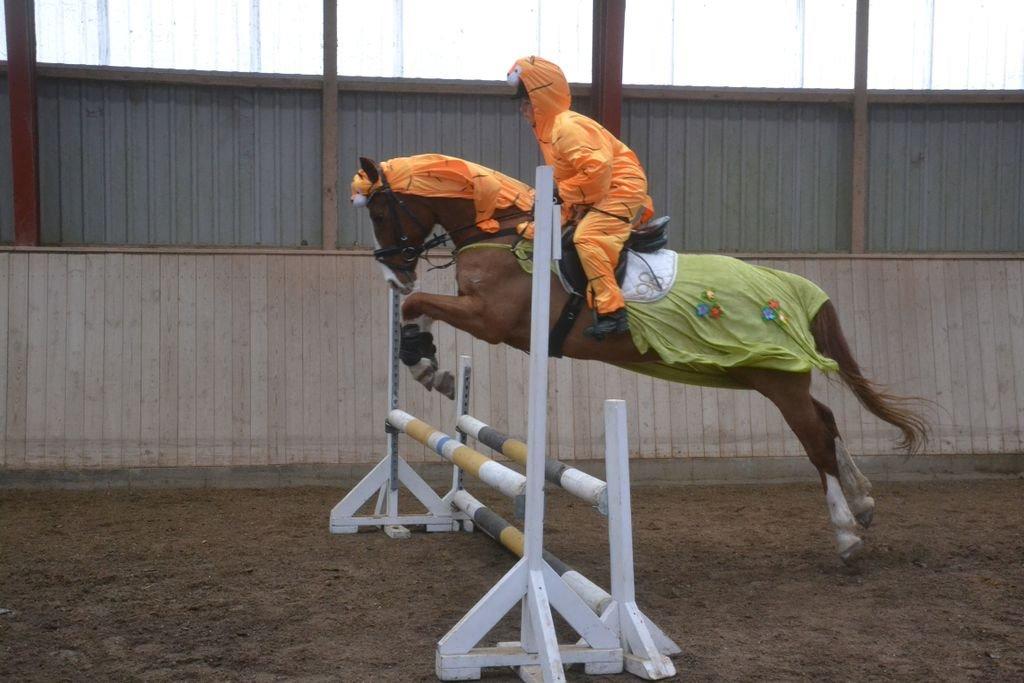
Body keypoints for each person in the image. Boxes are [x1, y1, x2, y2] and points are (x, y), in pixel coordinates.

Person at [507, 55, 655, 339]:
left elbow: (597, 174)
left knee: (587, 238)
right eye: (522, 106)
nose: (523, 111)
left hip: (620, 187)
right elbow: (570, 187)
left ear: (540, 102)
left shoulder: (568, 128)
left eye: (526, 104)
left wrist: (557, 193)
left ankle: (613, 312)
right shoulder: (553, 133)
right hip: (603, 186)